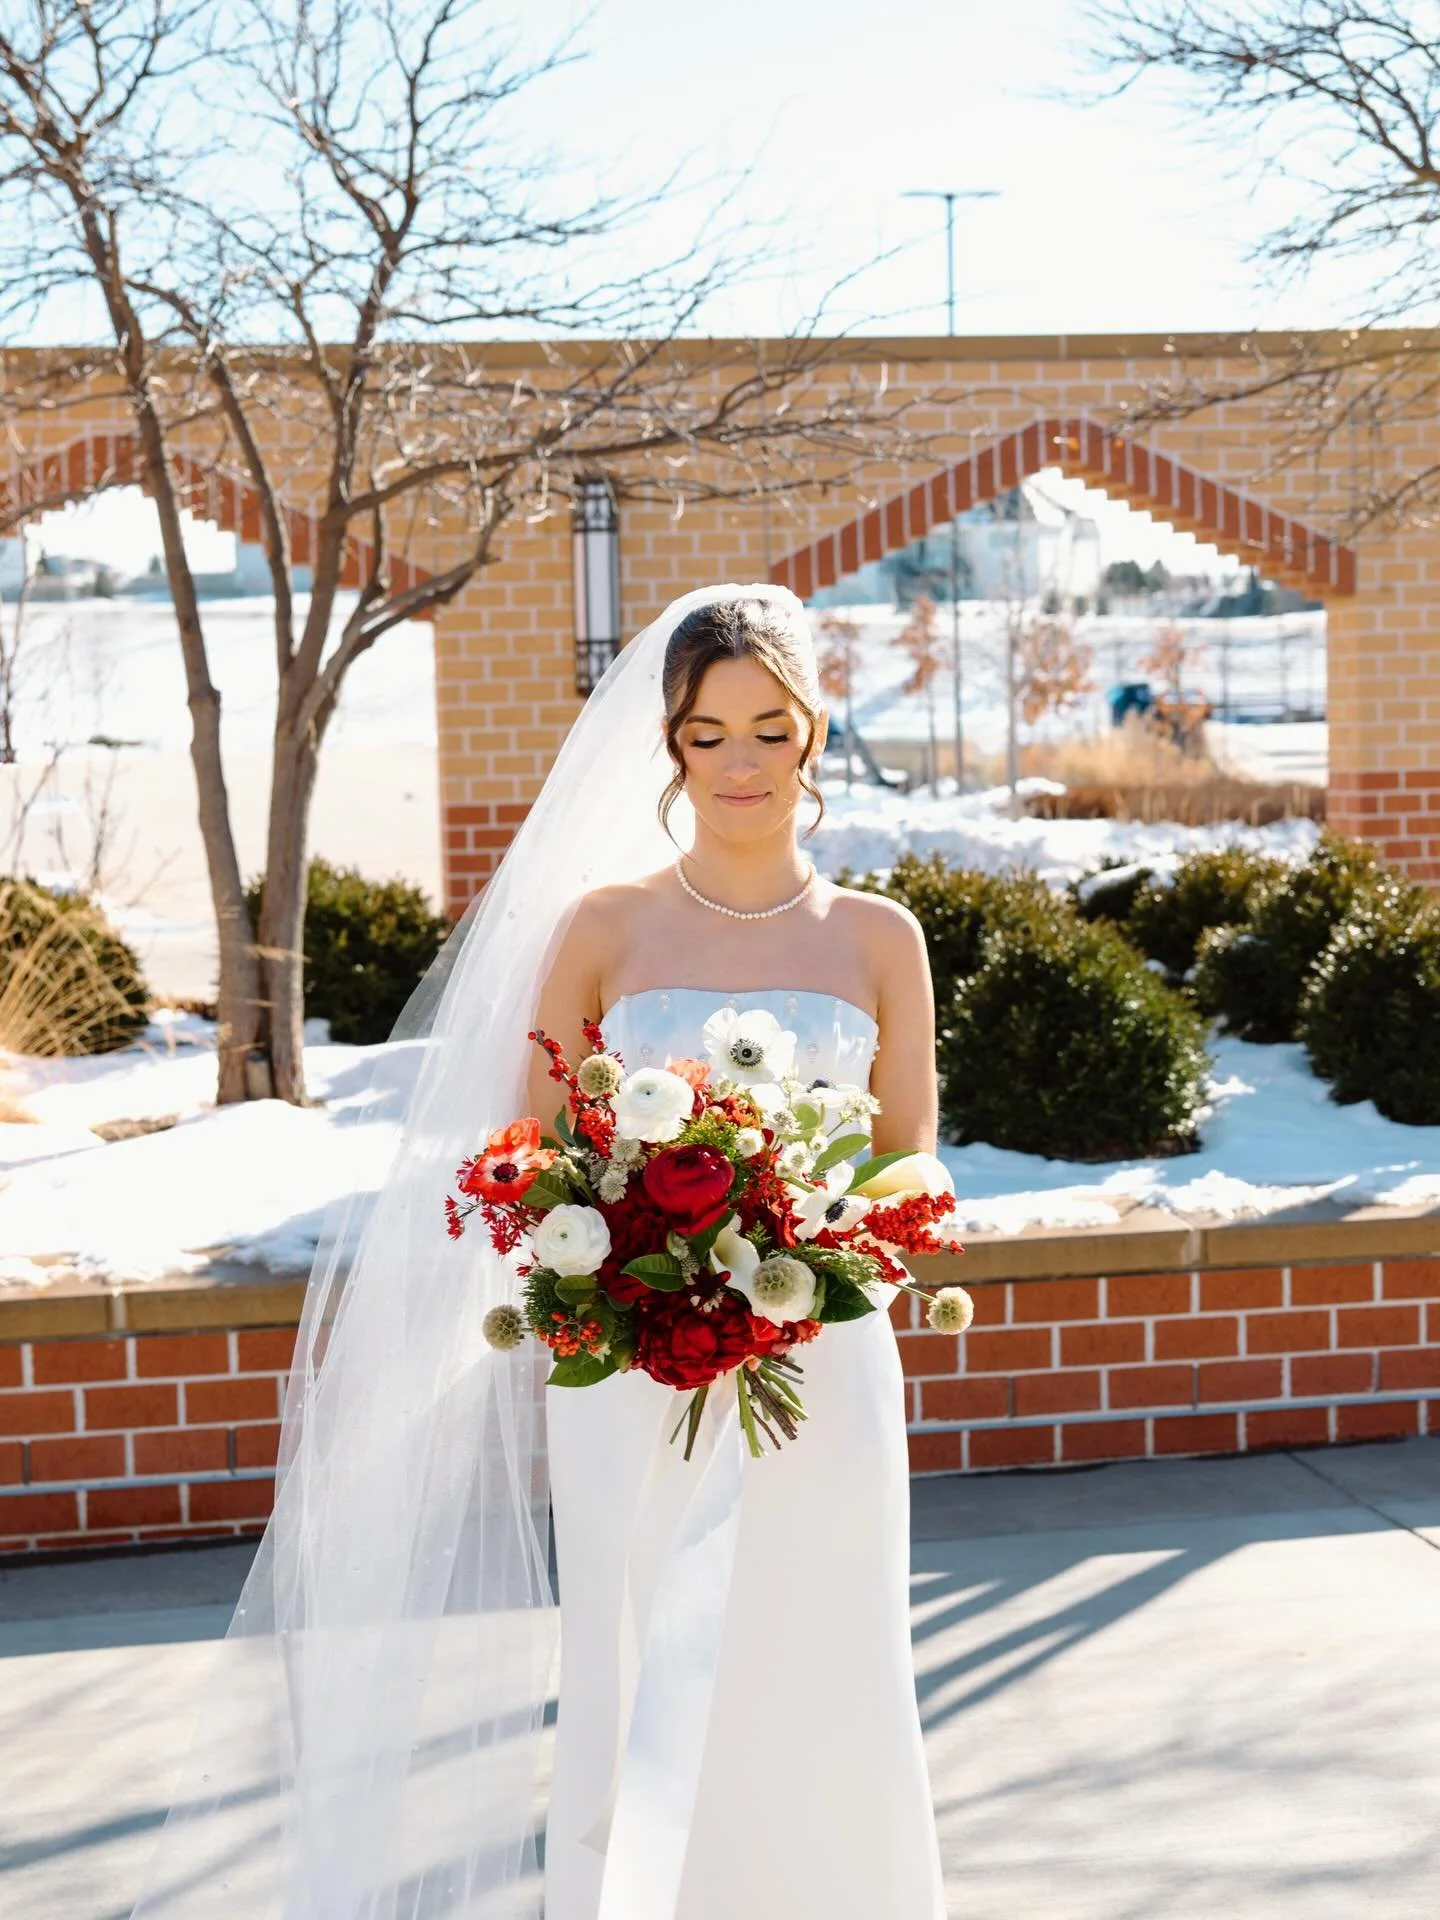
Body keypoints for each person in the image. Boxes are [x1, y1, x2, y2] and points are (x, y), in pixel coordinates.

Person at [124, 583, 944, 1920]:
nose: (740, 765)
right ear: (669, 750)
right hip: (638, 1368)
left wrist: (807, 1214)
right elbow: (525, 1156)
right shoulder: (606, 929)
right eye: (706, 735)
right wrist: (635, 1239)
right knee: (636, 1657)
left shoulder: (879, 939)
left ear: (816, 730)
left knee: (827, 1656)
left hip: (823, 1361)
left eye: (769, 730)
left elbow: (911, 1157)